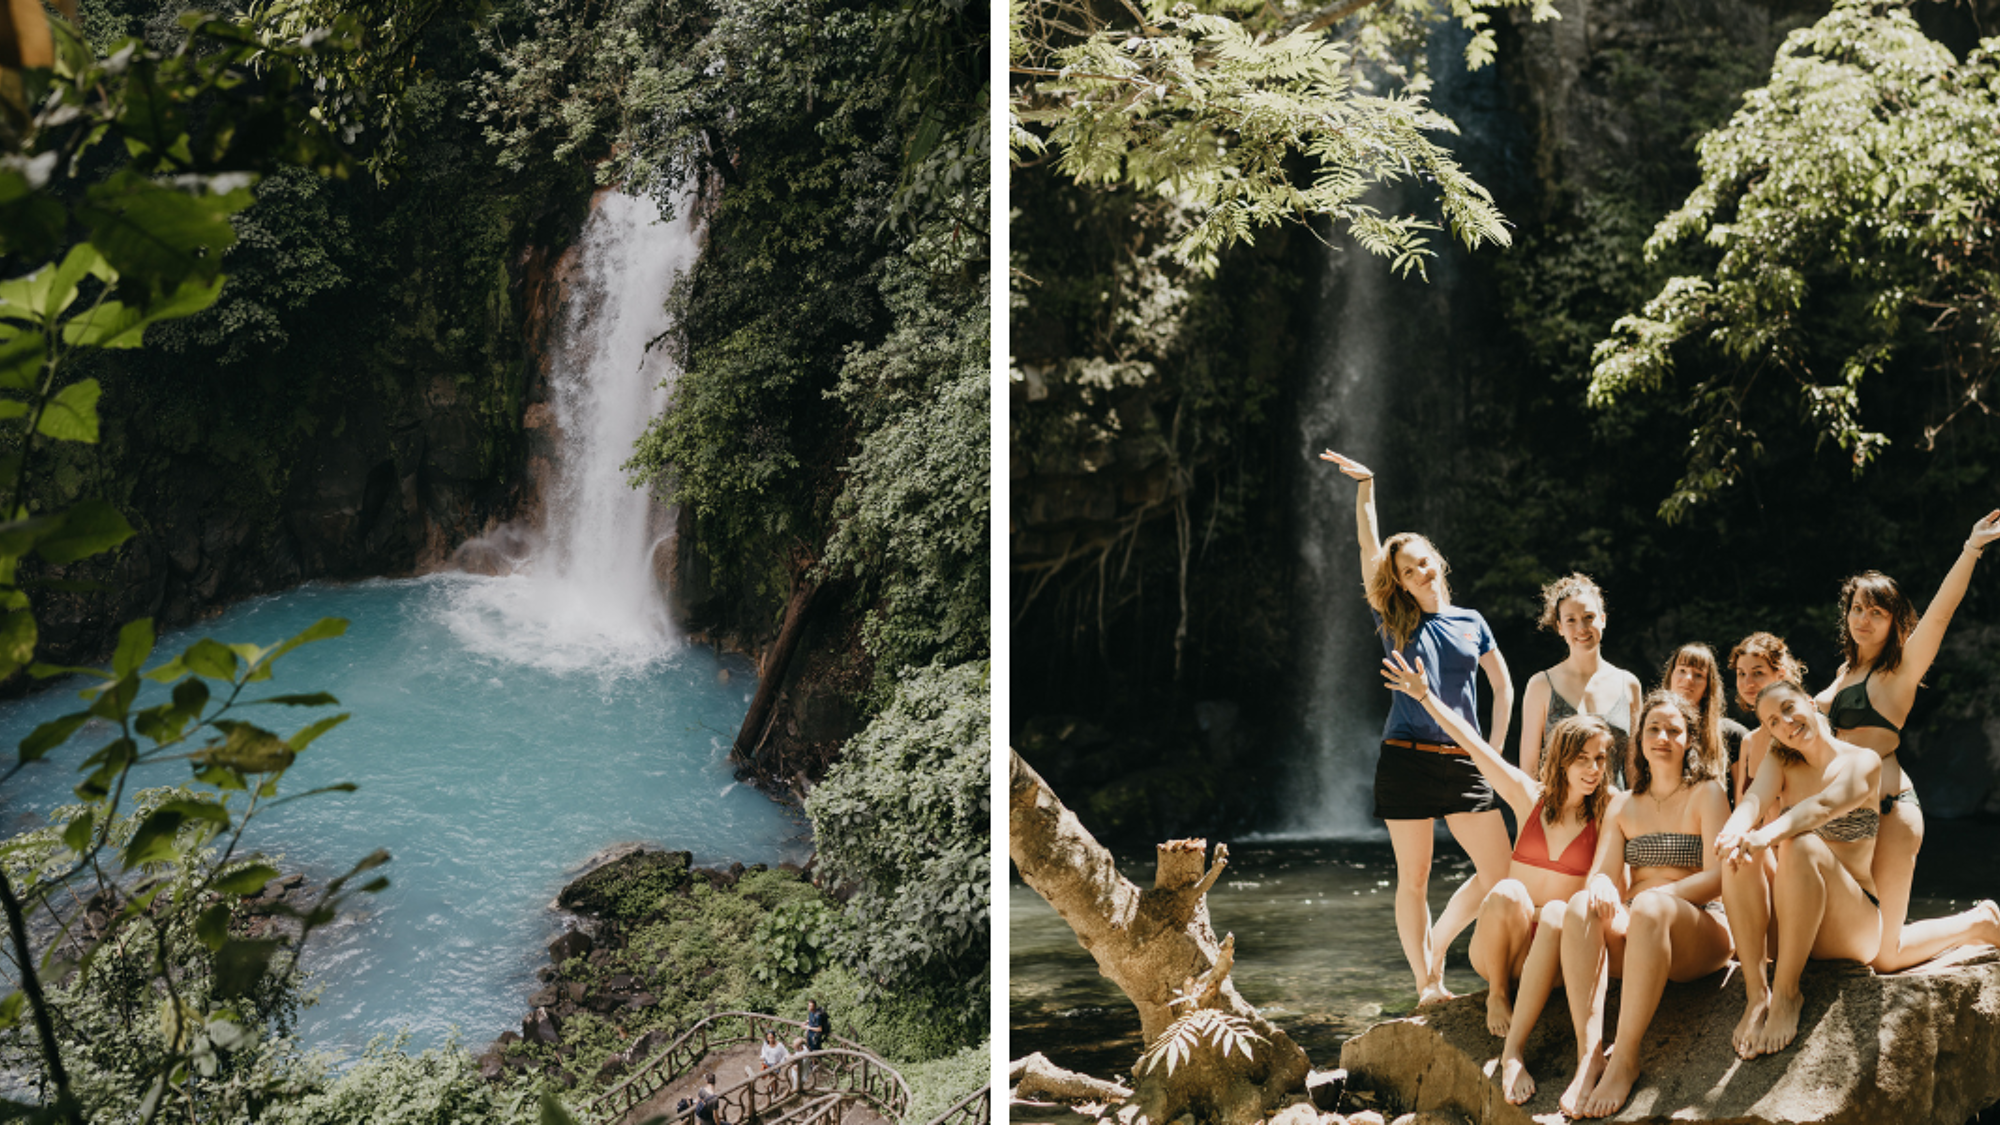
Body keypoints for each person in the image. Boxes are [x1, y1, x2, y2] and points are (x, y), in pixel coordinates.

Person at [1321, 450, 1515, 1006]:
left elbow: (1503, 688)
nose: (1421, 573)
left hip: (1463, 761)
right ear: (1399, 583)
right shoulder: (1393, 622)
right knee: (1414, 877)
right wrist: (1366, 487)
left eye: (1426, 562)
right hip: (1404, 758)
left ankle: (1443, 947)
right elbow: (1367, 548)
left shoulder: (1471, 622)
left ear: (1440, 562)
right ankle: (1427, 984)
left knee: (1500, 871)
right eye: (1409, 570)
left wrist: (1492, 754)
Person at [1381, 652, 1610, 1106]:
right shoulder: (1529, 798)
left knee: (1560, 912)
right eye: (1583, 759)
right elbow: (1472, 743)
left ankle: (1519, 1048)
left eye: (1601, 759)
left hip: (1554, 953)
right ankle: (1497, 994)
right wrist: (1425, 695)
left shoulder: (1608, 811)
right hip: (1499, 950)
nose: (1593, 769)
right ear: (1561, 759)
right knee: (1506, 888)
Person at [1815, 512, 2000, 973]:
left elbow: (1941, 610)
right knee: (1852, 941)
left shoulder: (1900, 671)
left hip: (1891, 811)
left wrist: (1971, 549)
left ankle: (1979, 922)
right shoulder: (1845, 672)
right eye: (1858, 608)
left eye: (1877, 612)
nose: (1864, 619)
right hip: (1846, 813)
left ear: (1893, 620)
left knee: (1883, 955)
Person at [1556, 690, 1733, 1118]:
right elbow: (1600, 871)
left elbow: (1719, 878)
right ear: (1639, 739)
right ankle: (1590, 1055)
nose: (1663, 737)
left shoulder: (1707, 793)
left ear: (1689, 739)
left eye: (1674, 730)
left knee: (1651, 909)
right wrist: (1601, 887)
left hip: (1698, 927)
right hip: (1638, 926)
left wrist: (1654, 898)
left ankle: (1625, 1059)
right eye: (1654, 728)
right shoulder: (1622, 804)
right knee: (1580, 905)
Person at [1716, 680, 1882, 1058]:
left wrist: (1765, 835)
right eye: (1773, 722)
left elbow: (1821, 808)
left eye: (1789, 708)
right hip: (1793, 922)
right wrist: (1734, 832)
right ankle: (1758, 994)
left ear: (1809, 701)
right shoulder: (1780, 757)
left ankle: (1787, 992)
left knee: (1801, 841)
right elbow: (1755, 799)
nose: (1786, 723)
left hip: (1851, 926)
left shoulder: (1863, 762)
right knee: (1738, 853)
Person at [1519, 574, 1643, 789]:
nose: (1581, 628)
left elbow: (1635, 767)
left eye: (1588, 617)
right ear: (1560, 627)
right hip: (1561, 817)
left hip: (1616, 815)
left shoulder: (1629, 684)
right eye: (1571, 620)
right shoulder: (1541, 685)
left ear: (1602, 620)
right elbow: (1529, 770)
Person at [1659, 642, 1748, 802]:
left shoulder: (1733, 735)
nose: (1688, 679)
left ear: (1708, 686)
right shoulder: (1652, 731)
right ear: (1670, 676)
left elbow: (1743, 801)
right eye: (1682, 671)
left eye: (1698, 675)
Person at [1727, 632, 1807, 804]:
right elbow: (1741, 804)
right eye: (1741, 674)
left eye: (1758, 673)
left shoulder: (1802, 732)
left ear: (1780, 675)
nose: (1748, 682)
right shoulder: (1748, 741)